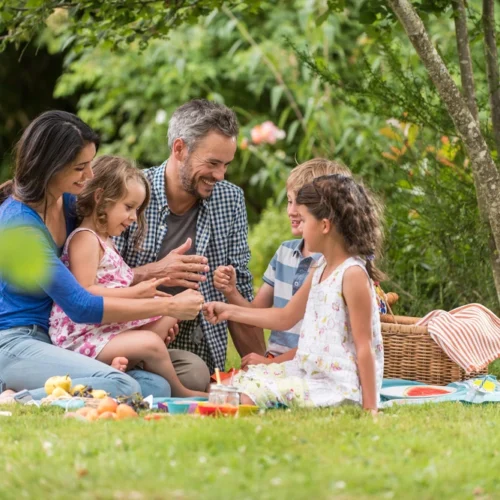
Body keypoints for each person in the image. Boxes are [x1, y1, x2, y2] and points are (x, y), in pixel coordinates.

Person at [0, 110, 204, 401]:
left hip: (56, 340)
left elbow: (103, 275)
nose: (90, 175)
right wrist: (169, 306)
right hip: (16, 342)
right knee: (124, 387)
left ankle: (41, 386)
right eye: (80, 167)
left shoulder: (68, 205)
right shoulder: (19, 224)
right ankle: (17, 397)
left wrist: (155, 278)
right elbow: (81, 305)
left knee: (157, 388)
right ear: (50, 167)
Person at [204, 174, 384, 412]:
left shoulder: (351, 274)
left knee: (241, 398)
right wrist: (228, 310)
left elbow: (365, 346)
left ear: (324, 225)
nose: (300, 227)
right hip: (308, 371)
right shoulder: (321, 267)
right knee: (228, 386)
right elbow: (284, 317)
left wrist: (370, 408)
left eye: (305, 219)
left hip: (337, 386)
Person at [115, 99, 265, 376]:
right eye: (212, 163)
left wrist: (263, 370)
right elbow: (98, 284)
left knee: (195, 376)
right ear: (179, 149)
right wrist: (156, 272)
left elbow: (239, 291)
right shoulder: (129, 194)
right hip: (127, 337)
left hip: (197, 346)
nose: (220, 175)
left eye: (226, 165)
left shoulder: (230, 200)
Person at [49, 155, 207, 397]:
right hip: (82, 337)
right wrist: (135, 293)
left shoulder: (106, 241)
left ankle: (124, 364)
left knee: (169, 315)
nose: (133, 217)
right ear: (100, 198)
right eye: (128, 207)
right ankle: (181, 392)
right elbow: (84, 292)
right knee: (152, 341)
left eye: (137, 209)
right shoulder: (85, 239)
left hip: (103, 329)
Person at [214, 158, 352, 369]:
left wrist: (272, 365)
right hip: (275, 361)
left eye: (301, 203)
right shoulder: (285, 253)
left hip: (311, 363)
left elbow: (321, 343)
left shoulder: (332, 265)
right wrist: (231, 292)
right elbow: (256, 314)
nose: (292, 211)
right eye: (289, 201)